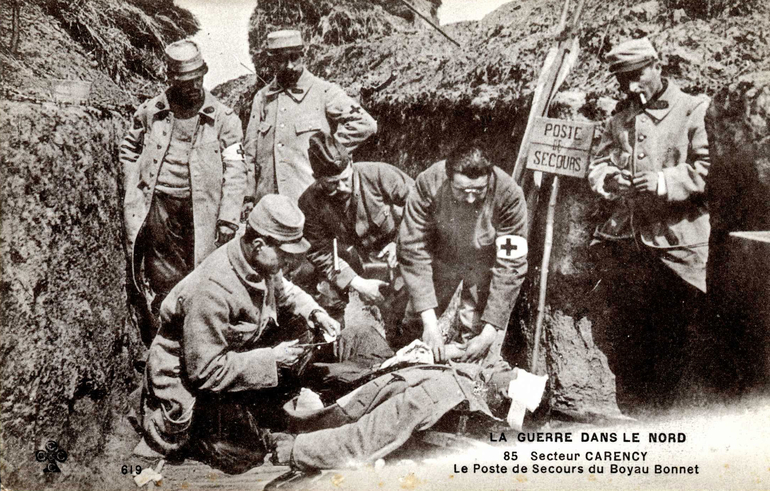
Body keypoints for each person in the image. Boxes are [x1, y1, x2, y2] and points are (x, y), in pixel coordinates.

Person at [136, 195, 341, 474]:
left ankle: (258, 409)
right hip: (188, 374)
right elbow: (204, 371)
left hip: (234, 353)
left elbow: (284, 292)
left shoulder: (256, 259)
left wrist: (316, 313)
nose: (287, 262)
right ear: (259, 244)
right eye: (284, 254)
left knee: (299, 329)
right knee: (244, 453)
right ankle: (199, 435)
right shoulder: (213, 289)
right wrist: (272, 359)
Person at [586, 37, 711, 403]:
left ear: (658, 66)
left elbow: (707, 170)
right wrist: (610, 177)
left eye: (638, 76)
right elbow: (599, 165)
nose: (630, 87)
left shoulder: (693, 110)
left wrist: (661, 181)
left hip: (679, 246)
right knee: (636, 339)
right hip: (632, 246)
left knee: (679, 341)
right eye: (622, 81)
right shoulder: (619, 119)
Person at [120, 39, 246, 345]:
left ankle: (199, 342)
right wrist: (133, 190)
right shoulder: (152, 111)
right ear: (171, 80)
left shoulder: (223, 118)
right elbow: (128, 149)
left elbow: (236, 169)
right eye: (184, 82)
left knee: (200, 275)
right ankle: (168, 342)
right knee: (164, 278)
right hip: (160, 206)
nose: (192, 87)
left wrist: (229, 216)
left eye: (197, 79)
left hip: (202, 211)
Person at [397, 143, 528, 365]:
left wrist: (490, 331)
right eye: (461, 191)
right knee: (415, 321)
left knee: (476, 333)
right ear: (448, 180)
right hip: (440, 256)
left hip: (482, 263)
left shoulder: (509, 194)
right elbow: (413, 249)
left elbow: (511, 264)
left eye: (478, 190)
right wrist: (430, 323)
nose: (470, 199)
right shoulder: (428, 183)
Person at [297, 132, 413, 360]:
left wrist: (399, 243)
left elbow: (421, 206)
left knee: (407, 303)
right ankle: (330, 347)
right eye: (331, 184)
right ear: (316, 178)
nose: (342, 188)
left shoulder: (380, 174)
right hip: (350, 257)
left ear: (351, 164)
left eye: (345, 179)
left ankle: (402, 347)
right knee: (322, 289)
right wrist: (357, 283)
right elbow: (319, 251)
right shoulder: (309, 201)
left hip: (393, 248)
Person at [243, 30, 377, 204]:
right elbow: (250, 154)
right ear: (272, 61)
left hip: (311, 203)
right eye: (282, 60)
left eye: (294, 58)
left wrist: (328, 154)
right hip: (269, 205)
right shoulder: (262, 99)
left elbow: (365, 124)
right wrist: (248, 196)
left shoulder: (324, 91)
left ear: (302, 55)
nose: (289, 65)